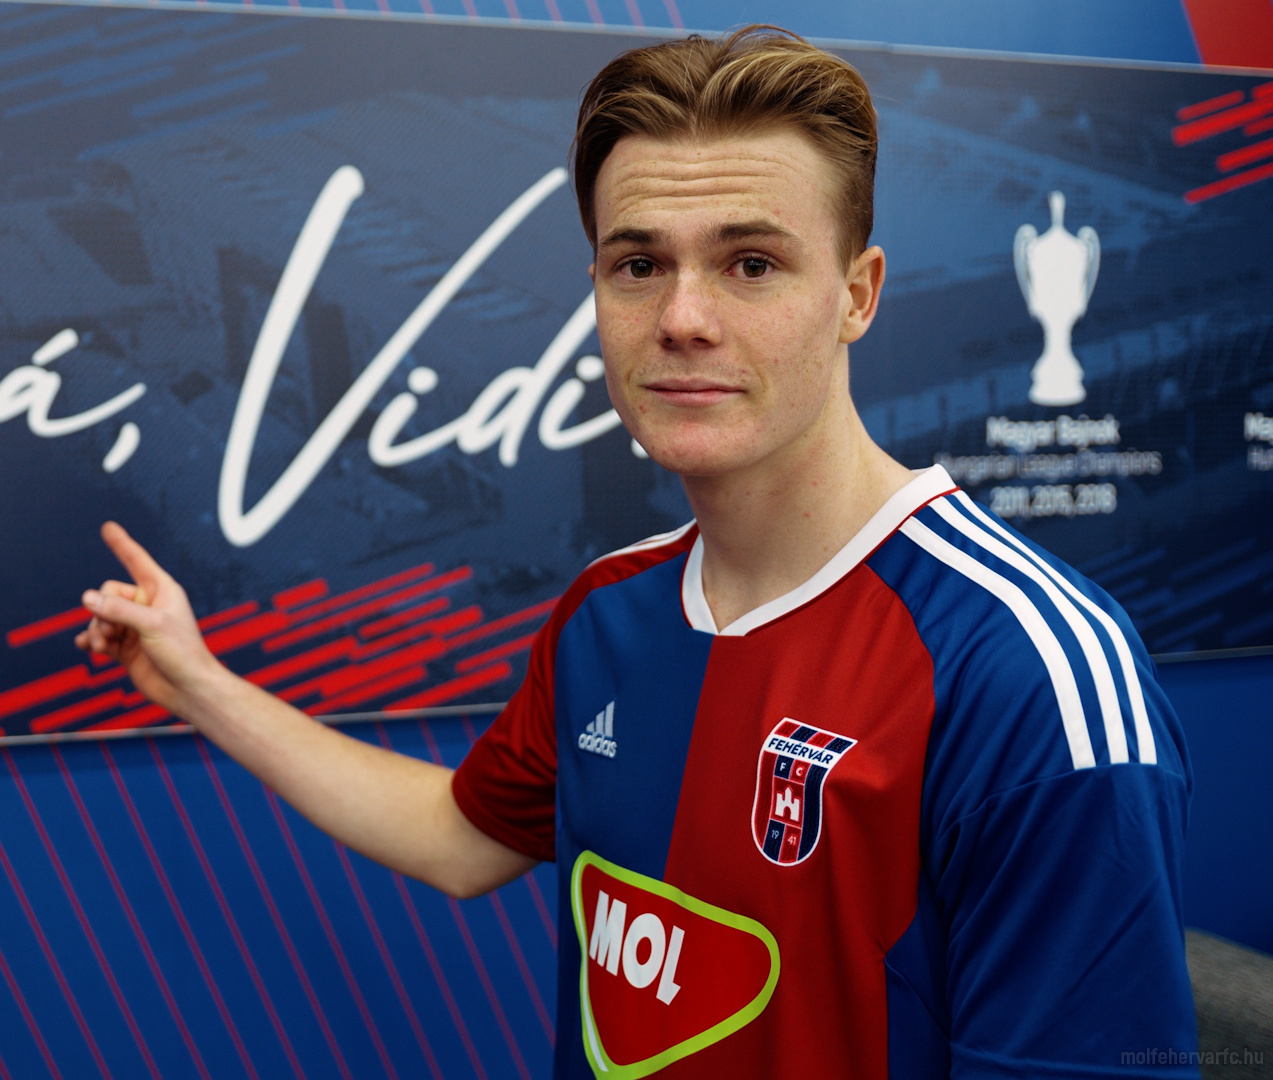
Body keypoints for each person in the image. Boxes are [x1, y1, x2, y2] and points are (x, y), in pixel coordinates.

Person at [74, 25, 1198, 1078]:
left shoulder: (1025, 675)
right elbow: (458, 839)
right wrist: (198, 680)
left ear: (856, 296)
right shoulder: (607, 611)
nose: (682, 319)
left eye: (750, 263)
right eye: (639, 265)